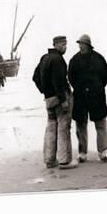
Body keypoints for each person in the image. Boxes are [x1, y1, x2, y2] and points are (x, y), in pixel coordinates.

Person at [32, 36, 77, 170]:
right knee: (64, 128)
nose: (65, 47)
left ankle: (50, 160)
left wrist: (45, 91)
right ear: (56, 45)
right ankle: (64, 161)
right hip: (59, 98)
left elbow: (35, 77)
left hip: (49, 99)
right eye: (63, 45)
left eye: (66, 45)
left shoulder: (44, 58)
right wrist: (63, 100)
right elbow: (58, 81)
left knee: (51, 128)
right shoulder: (58, 60)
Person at [68, 34, 107, 163]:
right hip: (80, 96)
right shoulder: (74, 60)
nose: (80, 46)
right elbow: (71, 78)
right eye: (79, 44)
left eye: (82, 44)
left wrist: (97, 88)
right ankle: (82, 153)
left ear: (88, 45)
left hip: (96, 95)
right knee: (80, 124)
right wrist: (80, 88)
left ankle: (103, 152)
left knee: (100, 123)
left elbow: (105, 76)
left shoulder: (99, 58)